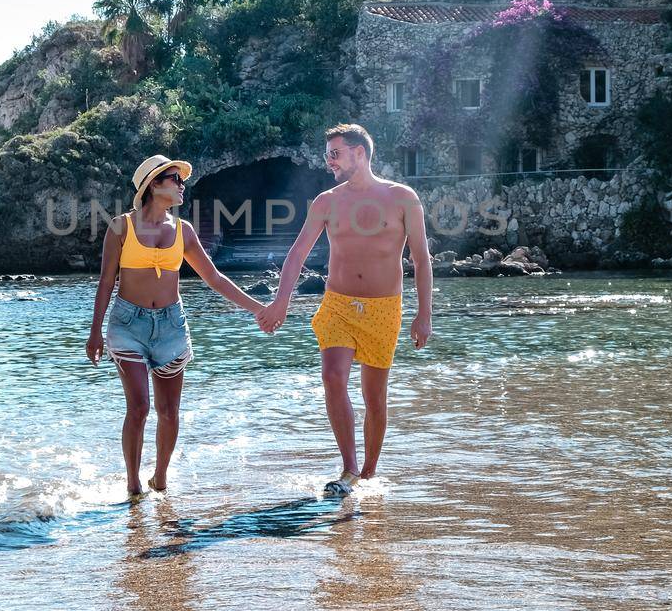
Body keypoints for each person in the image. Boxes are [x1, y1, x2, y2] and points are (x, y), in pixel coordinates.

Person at [258, 124, 432, 495]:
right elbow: (298, 253)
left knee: (375, 398)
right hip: (337, 304)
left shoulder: (403, 198)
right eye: (328, 155)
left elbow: (421, 258)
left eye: (335, 153)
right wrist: (281, 301)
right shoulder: (327, 201)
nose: (329, 162)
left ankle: (368, 471)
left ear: (359, 153)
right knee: (333, 376)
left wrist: (424, 314)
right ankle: (349, 468)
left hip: (385, 309)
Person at [87, 154, 264, 496]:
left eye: (181, 180)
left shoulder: (183, 231)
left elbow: (213, 278)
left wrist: (258, 308)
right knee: (138, 407)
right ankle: (133, 485)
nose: (182, 185)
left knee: (168, 412)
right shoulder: (120, 227)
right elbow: (106, 282)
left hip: (171, 325)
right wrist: (95, 333)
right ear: (154, 184)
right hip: (128, 325)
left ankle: (161, 480)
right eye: (174, 179)